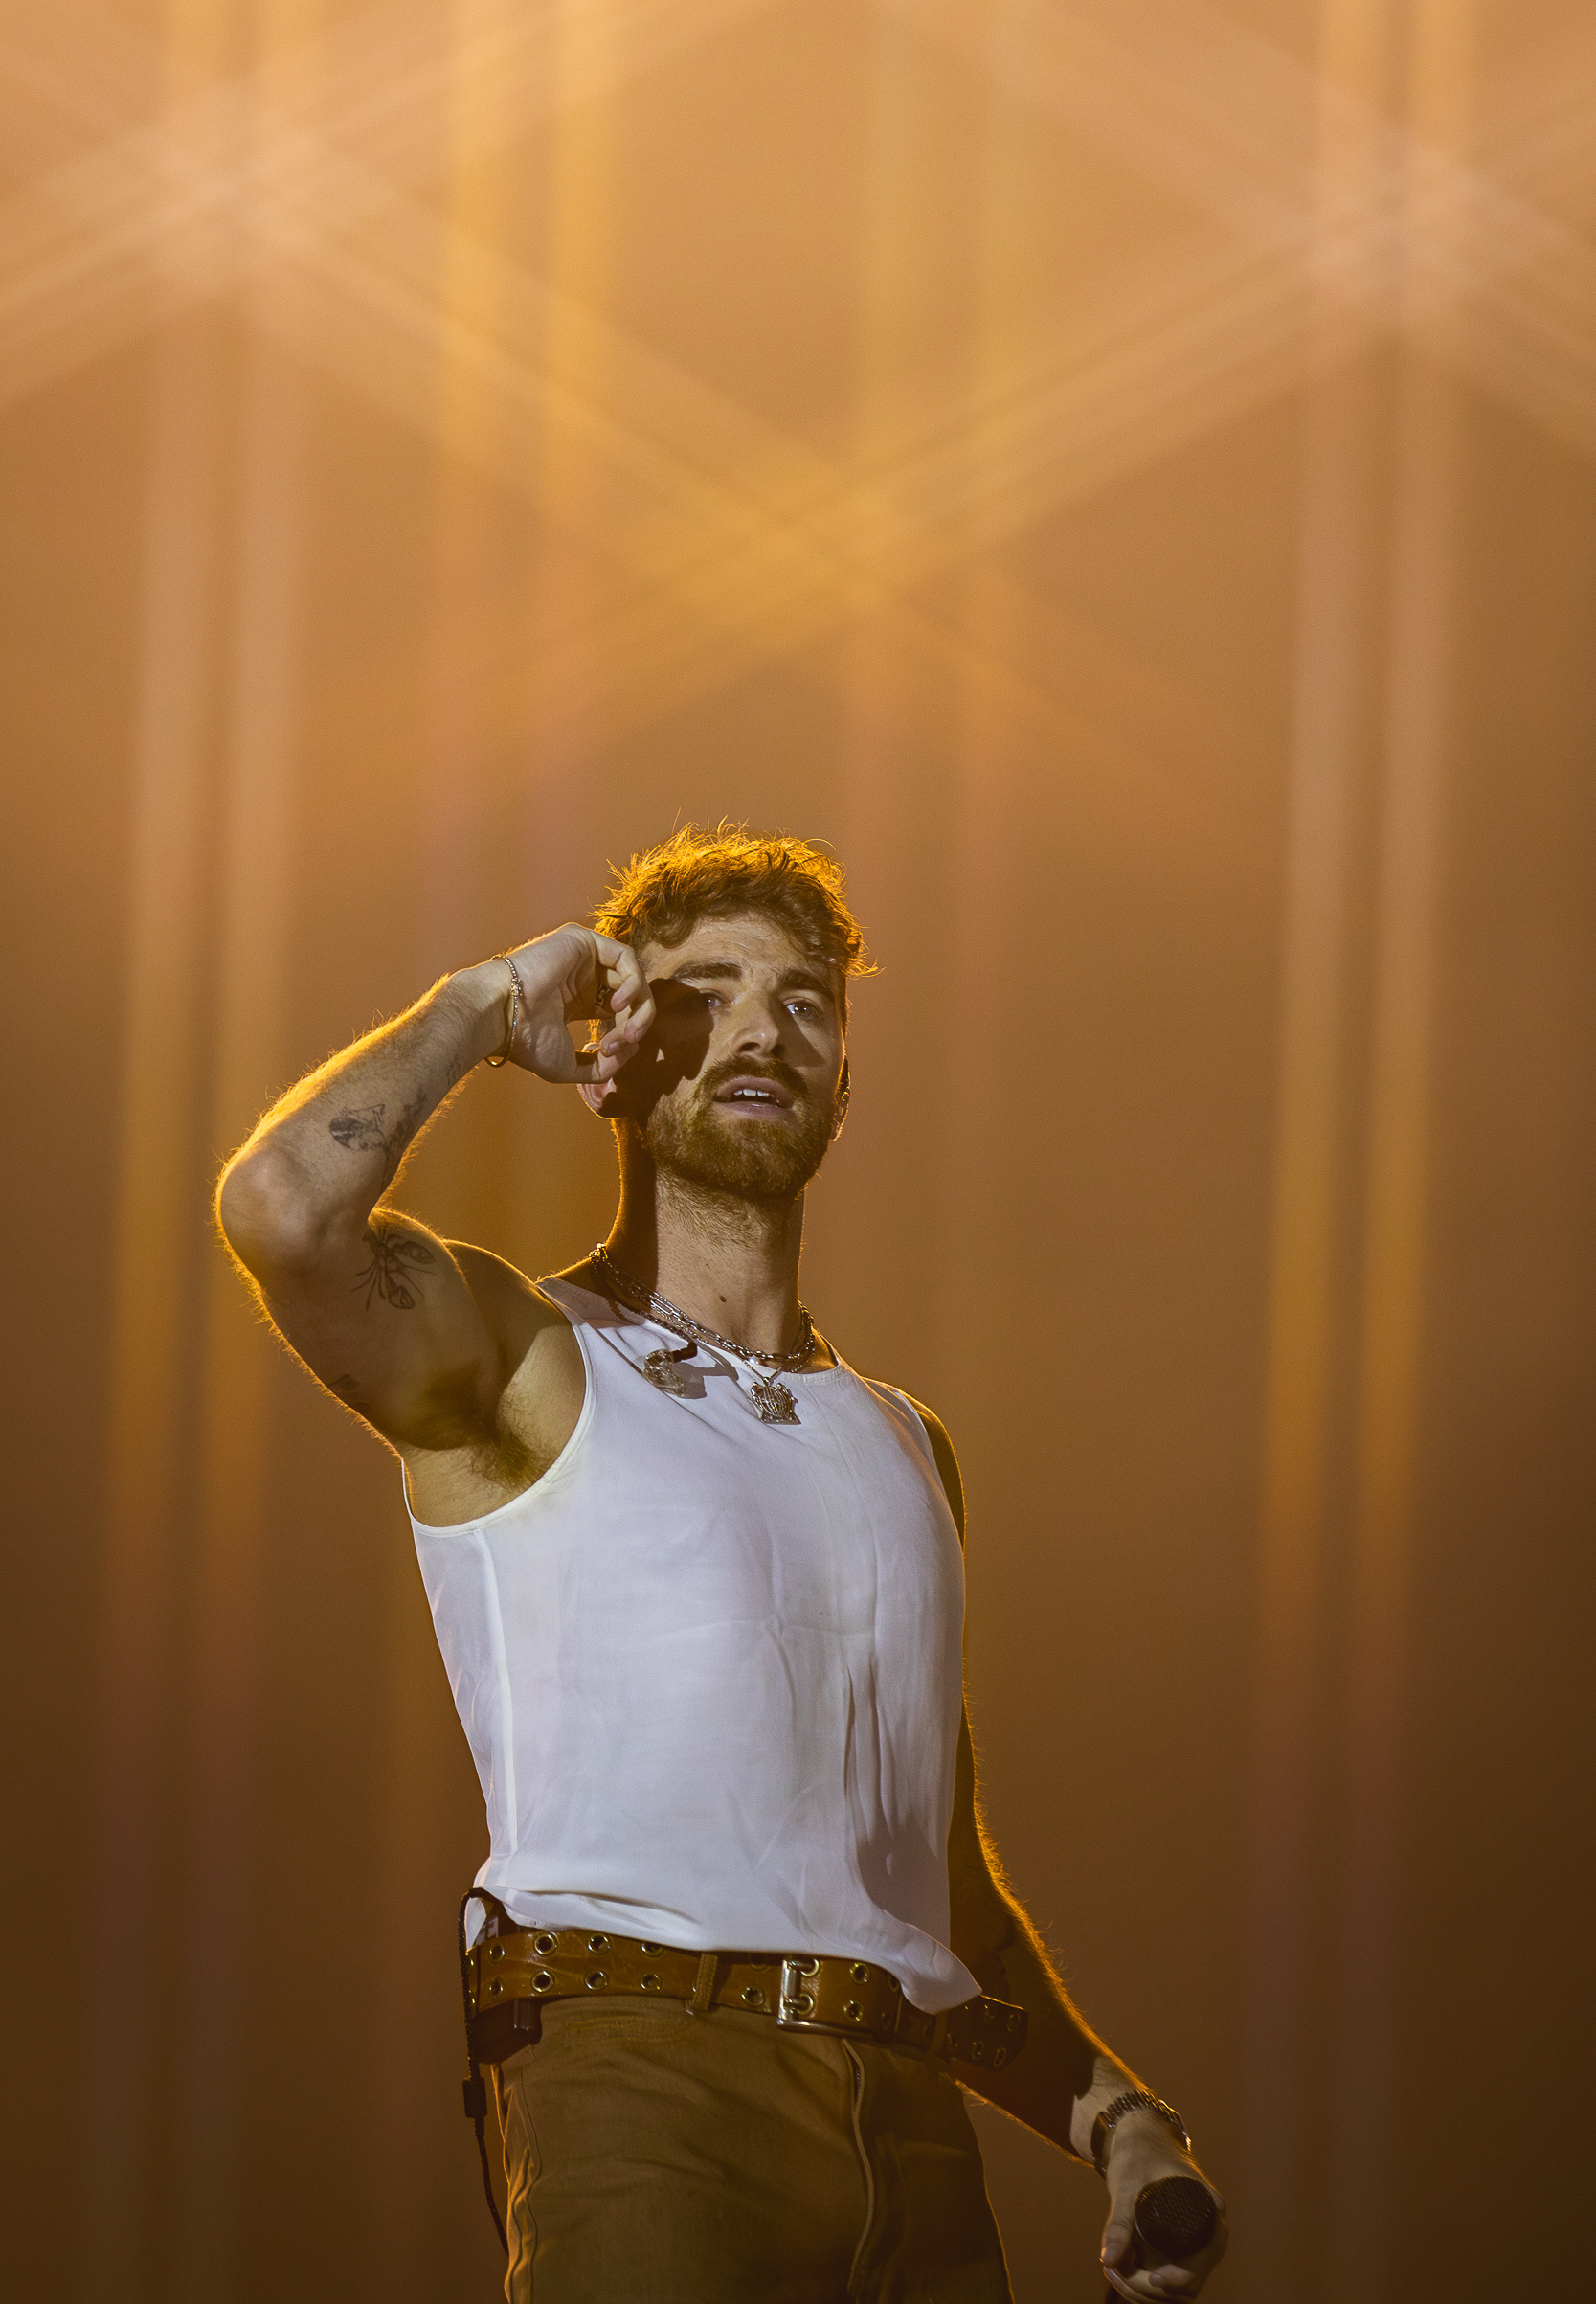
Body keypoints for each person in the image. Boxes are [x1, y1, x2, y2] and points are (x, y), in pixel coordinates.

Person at [216, 824, 1226, 2303]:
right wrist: (491, 1004)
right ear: (617, 1051)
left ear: (842, 1071)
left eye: (804, 1000)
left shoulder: (908, 1442)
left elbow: (936, 1892)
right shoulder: (529, 1355)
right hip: (645, 2094)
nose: (761, 1029)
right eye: (702, 997)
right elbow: (281, 1210)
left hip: (917, 2138)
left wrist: (1118, 2120)